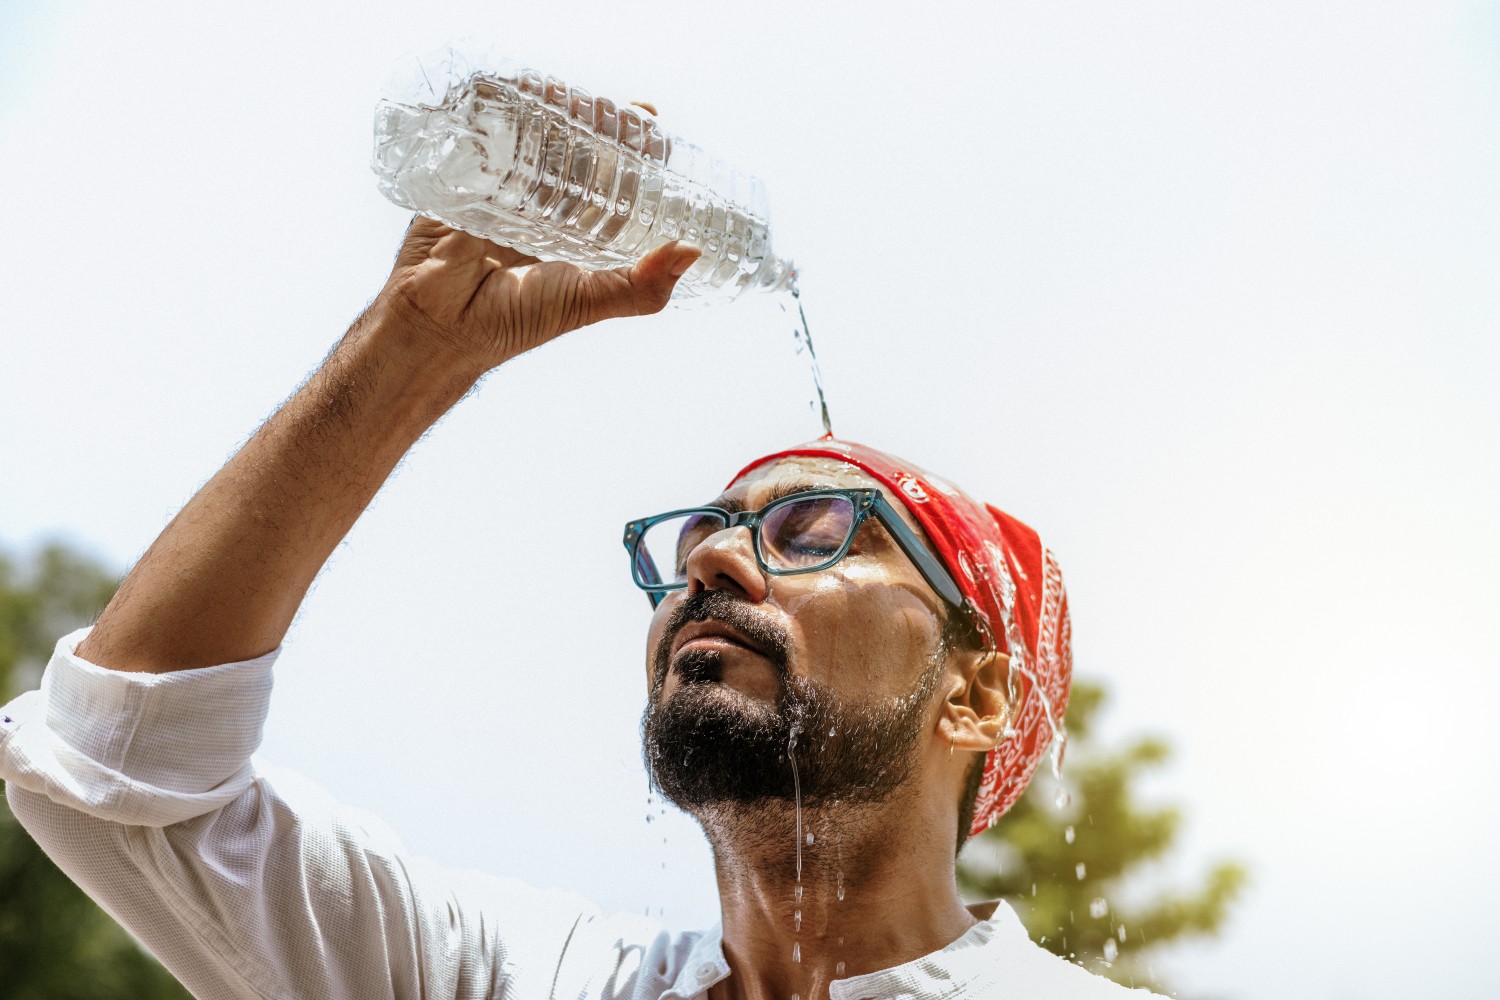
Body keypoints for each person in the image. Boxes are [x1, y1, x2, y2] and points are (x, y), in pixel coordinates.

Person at [0, 219, 1161, 999]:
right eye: (698, 537)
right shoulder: (526, 974)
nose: (712, 562)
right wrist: (411, 353)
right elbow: (114, 768)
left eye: (812, 529)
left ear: (975, 693)